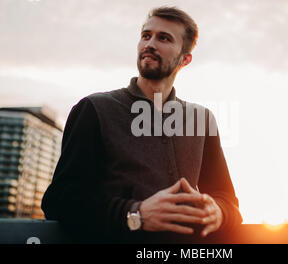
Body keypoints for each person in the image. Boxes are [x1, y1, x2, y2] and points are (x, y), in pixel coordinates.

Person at [41, 6, 242, 243]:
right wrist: (135, 214)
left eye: (164, 38)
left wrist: (218, 212)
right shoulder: (94, 109)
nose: (150, 44)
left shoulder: (203, 119)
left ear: (185, 59)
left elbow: (227, 200)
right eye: (146, 36)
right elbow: (61, 200)